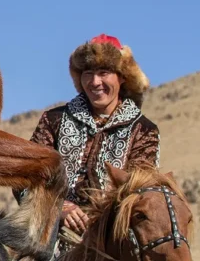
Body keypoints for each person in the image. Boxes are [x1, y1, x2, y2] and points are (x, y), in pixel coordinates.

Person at [26, 34, 160, 254]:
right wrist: (58, 208)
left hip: (111, 247)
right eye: (88, 73)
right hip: (46, 238)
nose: (95, 82)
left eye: (103, 73)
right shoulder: (54, 120)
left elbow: (140, 197)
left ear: (122, 77)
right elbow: (25, 177)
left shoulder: (144, 131)